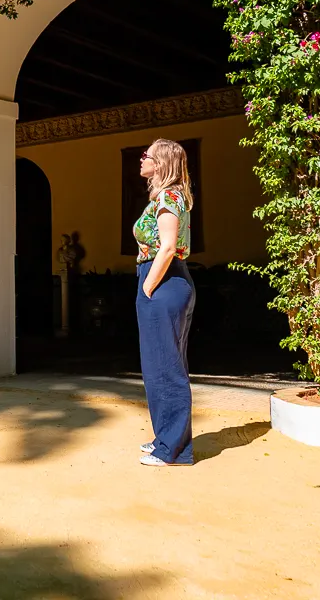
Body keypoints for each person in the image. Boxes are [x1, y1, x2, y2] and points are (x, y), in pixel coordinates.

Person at [133, 138, 197, 466]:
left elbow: (168, 246)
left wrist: (147, 287)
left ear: (161, 163)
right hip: (164, 282)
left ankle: (173, 449)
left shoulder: (170, 197)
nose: (142, 158)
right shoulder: (165, 197)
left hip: (164, 282)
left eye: (148, 155)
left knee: (167, 367)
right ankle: (165, 437)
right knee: (158, 365)